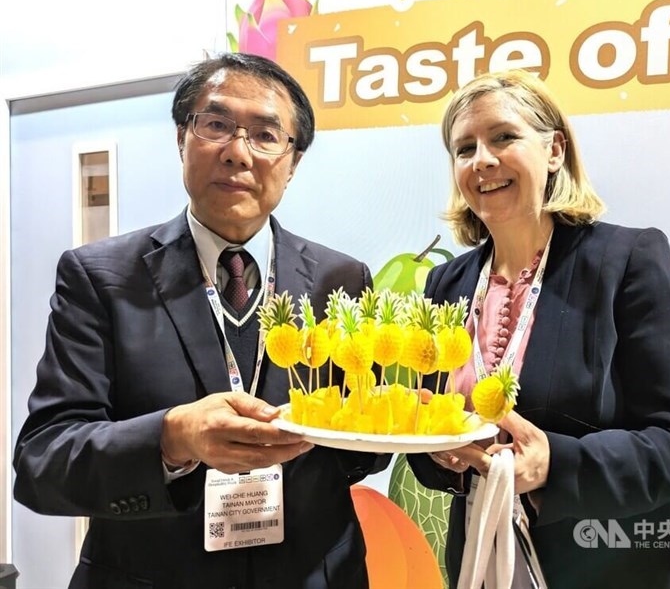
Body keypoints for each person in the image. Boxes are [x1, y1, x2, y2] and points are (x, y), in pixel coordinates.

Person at [13, 52, 389, 589]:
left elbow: (356, 457)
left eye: (265, 134)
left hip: (315, 574)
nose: (237, 153)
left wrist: (387, 425)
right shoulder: (99, 278)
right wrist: (172, 439)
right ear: (181, 139)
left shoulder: (343, 279)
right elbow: (42, 464)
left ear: (293, 161)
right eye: (215, 124)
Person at [408, 69, 670, 588]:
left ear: (554, 151)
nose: (482, 159)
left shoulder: (628, 259)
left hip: (616, 567)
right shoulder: (447, 282)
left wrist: (557, 463)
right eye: (464, 149)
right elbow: (443, 447)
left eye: (503, 137)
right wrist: (437, 452)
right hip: (486, 560)